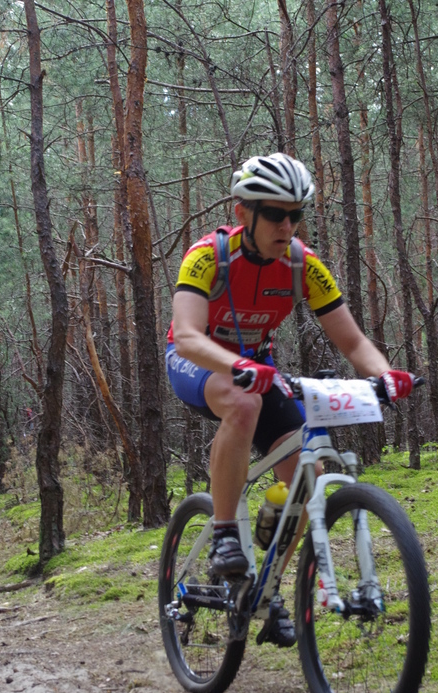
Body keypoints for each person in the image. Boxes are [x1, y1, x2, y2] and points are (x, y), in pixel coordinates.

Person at [166, 153, 414, 643]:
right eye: (276, 214)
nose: (287, 225)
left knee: (307, 475)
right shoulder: (208, 256)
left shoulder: (303, 264)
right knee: (243, 404)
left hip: (258, 370)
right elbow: (189, 335)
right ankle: (224, 534)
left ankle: (268, 589)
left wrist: (386, 375)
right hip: (197, 362)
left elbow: (353, 342)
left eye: (296, 214)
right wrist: (236, 366)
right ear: (243, 213)